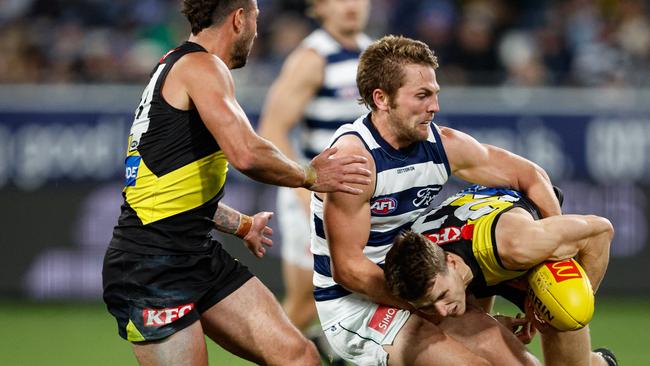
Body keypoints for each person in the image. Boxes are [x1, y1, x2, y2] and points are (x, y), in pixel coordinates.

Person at [101, 0, 372, 365]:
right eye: (256, 19)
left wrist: (240, 224)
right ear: (239, 18)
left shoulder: (176, 65)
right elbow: (246, 152)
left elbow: (167, 188)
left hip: (195, 254)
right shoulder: (201, 66)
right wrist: (310, 176)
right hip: (151, 265)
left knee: (299, 357)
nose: (258, 31)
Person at [311, 34, 564, 365]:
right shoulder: (356, 162)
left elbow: (531, 177)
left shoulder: (441, 145)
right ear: (382, 99)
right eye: (422, 95)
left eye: (435, 93)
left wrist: (550, 262)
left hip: (420, 284)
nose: (435, 106)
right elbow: (348, 270)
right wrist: (433, 305)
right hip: (356, 304)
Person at [384, 185, 618, 366]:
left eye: (442, 295)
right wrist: (490, 323)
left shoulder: (519, 244)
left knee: (568, 308)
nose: (441, 310)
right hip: (474, 263)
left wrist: (578, 297)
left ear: (452, 262)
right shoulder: (412, 275)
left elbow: (600, 231)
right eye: (428, 305)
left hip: (519, 255)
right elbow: (442, 297)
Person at [257, 0, 372, 355]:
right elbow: (272, 128)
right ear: (318, 8)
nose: (350, 6)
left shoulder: (374, 54)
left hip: (360, 198)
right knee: (306, 302)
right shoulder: (312, 58)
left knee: (362, 293)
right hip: (316, 194)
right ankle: (274, 357)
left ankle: (327, 350)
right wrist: (302, 188)